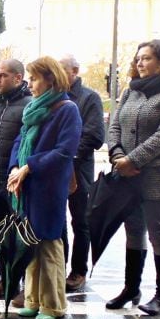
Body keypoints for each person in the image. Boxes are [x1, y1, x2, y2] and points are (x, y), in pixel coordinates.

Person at [106, 39, 160, 316]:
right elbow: (114, 124)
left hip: (158, 173)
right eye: (138, 58)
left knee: (159, 233)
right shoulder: (131, 91)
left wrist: (133, 160)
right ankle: (131, 289)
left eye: (147, 58)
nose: (140, 63)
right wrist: (118, 156)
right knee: (133, 231)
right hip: (126, 173)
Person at [7, 56, 81, 319]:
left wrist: (29, 167)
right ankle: (33, 300)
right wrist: (16, 167)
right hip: (28, 187)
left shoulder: (67, 109)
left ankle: (53, 305)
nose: (30, 84)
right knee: (30, 245)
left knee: (49, 246)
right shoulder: (34, 108)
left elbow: (64, 151)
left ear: (51, 79)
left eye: (34, 78)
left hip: (48, 189)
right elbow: (19, 140)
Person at [0, 59, 32, 300]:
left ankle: (22, 284)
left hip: (16, 181)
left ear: (18, 78)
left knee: (20, 235)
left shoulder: (28, 105)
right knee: (1, 232)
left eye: (3, 75)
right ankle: (6, 279)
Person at [58, 55, 105, 292]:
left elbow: (95, 136)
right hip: (56, 171)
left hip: (78, 171)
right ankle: (59, 267)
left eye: (61, 69)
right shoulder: (55, 97)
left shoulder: (89, 98)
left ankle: (78, 271)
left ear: (74, 70)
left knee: (80, 222)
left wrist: (64, 154)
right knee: (58, 223)